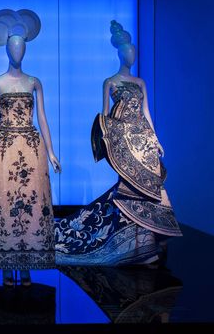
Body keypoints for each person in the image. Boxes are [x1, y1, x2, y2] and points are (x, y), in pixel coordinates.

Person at [54, 20, 181, 266]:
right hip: (123, 138)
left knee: (153, 186)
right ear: (120, 54)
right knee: (129, 187)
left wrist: (156, 139)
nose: (130, 57)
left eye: (133, 53)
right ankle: (134, 240)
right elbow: (104, 115)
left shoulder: (140, 82)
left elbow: (146, 113)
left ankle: (155, 234)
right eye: (127, 53)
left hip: (143, 139)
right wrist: (108, 141)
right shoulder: (110, 82)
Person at [0, 9, 60, 286]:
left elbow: (43, 118)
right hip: (3, 147)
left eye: (21, 46)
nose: (17, 50)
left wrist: (52, 151)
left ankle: (27, 265)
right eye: (13, 46)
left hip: (31, 147)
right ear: (6, 48)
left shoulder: (34, 82)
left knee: (31, 203)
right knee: (4, 201)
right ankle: (5, 266)